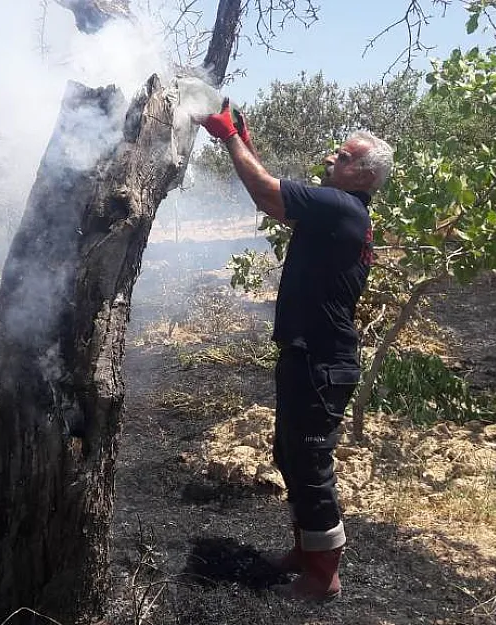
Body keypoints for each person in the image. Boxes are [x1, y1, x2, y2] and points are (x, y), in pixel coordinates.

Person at [196, 101, 394, 601]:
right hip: (310, 357)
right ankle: (306, 551)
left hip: (323, 363)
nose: (332, 158)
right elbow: (278, 196)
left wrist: (227, 138)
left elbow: (267, 194)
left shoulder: (341, 207)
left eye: (344, 156)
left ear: (363, 175)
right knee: (290, 454)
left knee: (309, 462)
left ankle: (323, 577)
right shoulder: (337, 212)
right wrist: (244, 139)